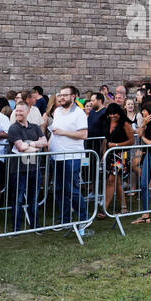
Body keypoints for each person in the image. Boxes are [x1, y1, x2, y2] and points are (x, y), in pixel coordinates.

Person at [48, 85, 90, 236]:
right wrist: (49, 145)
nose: (61, 97)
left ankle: (83, 220)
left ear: (73, 97)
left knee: (73, 189)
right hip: (56, 156)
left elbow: (84, 135)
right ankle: (65, 220)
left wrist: (63, 132)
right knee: (59, 189)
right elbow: (54, 131)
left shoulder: (79, 113)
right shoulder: (57, 111)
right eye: (60, 95)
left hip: (72, 157)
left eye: (65, 95)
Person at [7, 102, 47, 233]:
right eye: (16, 111)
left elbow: (45, 142)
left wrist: (30, 143)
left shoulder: (35, 127)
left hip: (34, 168)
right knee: (17, 199)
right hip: (18, 169)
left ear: (28, 112)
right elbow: (21, 147)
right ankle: (16, 228)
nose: (18, 113)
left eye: (21, 111)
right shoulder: (13, 128)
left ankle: (35, 226)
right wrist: (35, 145)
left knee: (34, 198)